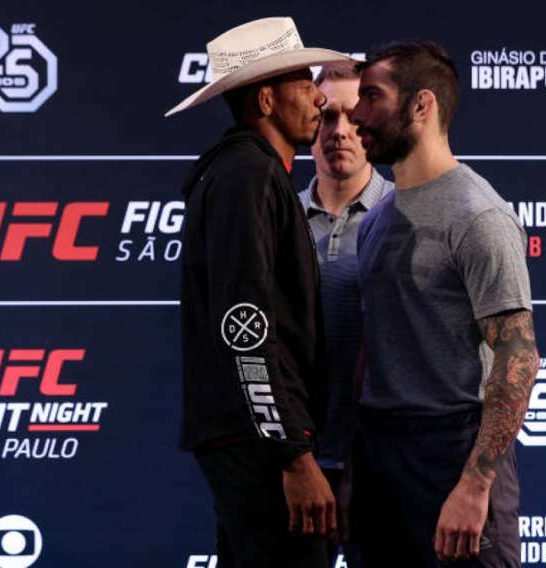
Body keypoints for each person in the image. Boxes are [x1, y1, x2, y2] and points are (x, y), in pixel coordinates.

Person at [165, 17, 352, 568]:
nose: (319, 98)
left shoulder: (245, 172)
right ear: (266, 100)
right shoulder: (248, 176)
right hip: (261, 445)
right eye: (304, 85)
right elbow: (245, 325)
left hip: (251, 438)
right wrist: (293, 455)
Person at [349, 40, 540, 567]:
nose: (357, 113)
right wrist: (354, 468)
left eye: (372, 96)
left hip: (454, 453)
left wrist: (476, 485)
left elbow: (517, 358)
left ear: (421, 106)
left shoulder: (479, 217)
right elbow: (373, 347)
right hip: (380, 457)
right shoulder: (378, 219)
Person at [297, 60, 392, 546]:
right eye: (327, 116)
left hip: (382, 468)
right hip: (294, 469)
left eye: (354, 119)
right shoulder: (277, 217)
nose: (340, 132)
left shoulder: (405, 217)